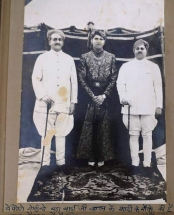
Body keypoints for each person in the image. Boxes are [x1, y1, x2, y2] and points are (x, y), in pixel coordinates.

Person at [32, 29, 78, 170]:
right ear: (49, 41)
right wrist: (43, 95)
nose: (57, 42)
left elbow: (74, 82)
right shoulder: (42, 58)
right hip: (46, 104)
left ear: (63, 42)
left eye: (59, 39)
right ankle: (45, 164)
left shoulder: (69, 59)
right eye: (54, 39)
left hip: (63, 104)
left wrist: (73, 102)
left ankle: (60, 163)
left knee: (60, 134)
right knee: (46, 134)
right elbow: (36, 78)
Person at [117, 39, 163, 169]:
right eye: (137, 48)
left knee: (147, 135)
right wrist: (123, 98)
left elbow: (158, 87)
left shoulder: (153, 67)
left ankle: (147, 163)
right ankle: (135, 163)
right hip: (131, 107)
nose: (139, 50)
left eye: (142, 48)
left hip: (149, 107)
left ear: (146, 50)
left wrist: (159, 105)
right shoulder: (126, 67)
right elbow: (120, 84)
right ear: (133, 50)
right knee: (133, 135)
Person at [77, 30, 118, 167]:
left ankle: (102, 157)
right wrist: (93, 96)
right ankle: (90, 156)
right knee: (89, 127)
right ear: (91, 40)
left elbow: (113, 79)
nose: (98, 40)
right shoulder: (84, 57)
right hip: (89, 96)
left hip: (105, 97)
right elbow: (81, 79)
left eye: (101, 38)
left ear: (104, 41)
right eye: (96, 38)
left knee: (103, 127)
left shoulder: (111, 57)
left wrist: (104, 95)